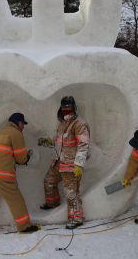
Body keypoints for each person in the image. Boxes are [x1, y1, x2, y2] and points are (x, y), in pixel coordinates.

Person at [0, 113, 40, 236]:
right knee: (16, 200)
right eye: (22, 123)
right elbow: (21, 158)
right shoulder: (16, 134)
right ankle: (25, 227)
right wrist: (27, 158)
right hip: (1, 175)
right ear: (16, 122)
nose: (23, 127)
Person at [40, 96, 90, 229]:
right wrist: (50, 142)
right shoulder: (62, 123)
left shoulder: (79, 123)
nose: (66, 110)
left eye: (68, 107)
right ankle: (53, 204)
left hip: (71, 165)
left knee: (71, 192)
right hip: (59, 161)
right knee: (49, 181)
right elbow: (61, 142)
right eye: (63, 107)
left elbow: (83, 144)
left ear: (74, 107)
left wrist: (79, 163)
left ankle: (76, 218)